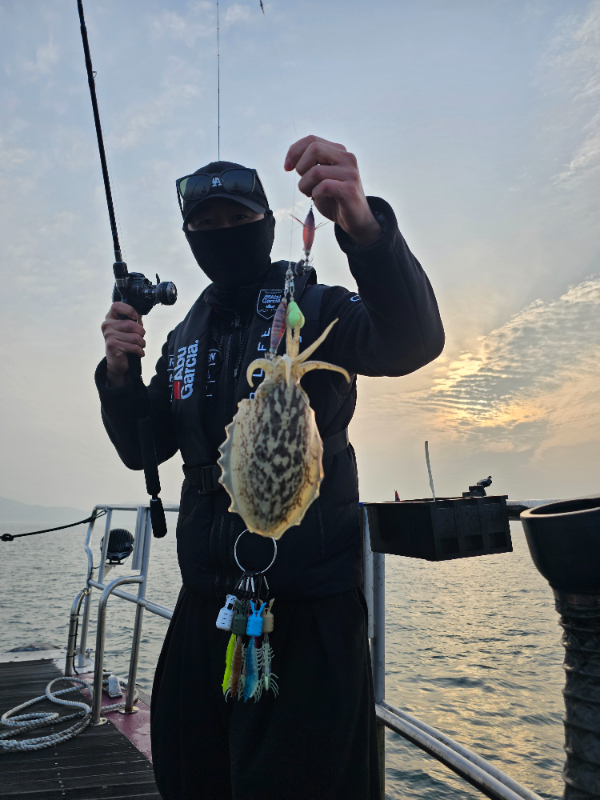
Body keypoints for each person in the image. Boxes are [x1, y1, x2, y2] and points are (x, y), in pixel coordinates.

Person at [97, 135, 445, 800]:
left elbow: (413, 340)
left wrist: (365, 230)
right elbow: (143, 449)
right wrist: (118, 376)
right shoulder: (184, 338)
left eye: (238, 218)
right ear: (189, 238)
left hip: (310, 609)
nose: (223, 233)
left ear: (265, 222)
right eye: (206, 224)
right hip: (206, 604)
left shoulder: (317, 307)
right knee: (189, 776)